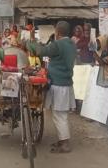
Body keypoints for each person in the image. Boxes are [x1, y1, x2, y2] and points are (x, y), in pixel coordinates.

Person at [27, 21, 76, 153]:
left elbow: (40, 51)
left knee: (59, 115)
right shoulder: (71, 44)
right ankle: (62, 140)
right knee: (60, 114)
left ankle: (65, 144)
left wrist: (32, 39)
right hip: (66, 83)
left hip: (58, 84)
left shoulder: (58, 44)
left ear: (58, 32)